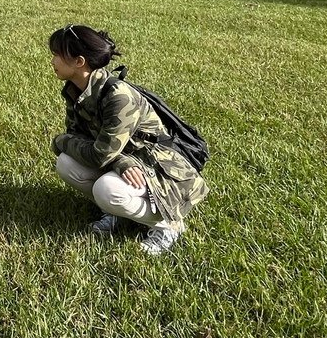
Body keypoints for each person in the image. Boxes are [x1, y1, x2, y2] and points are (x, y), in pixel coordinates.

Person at [49, 24, 208, 255]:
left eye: (56, 55)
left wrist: (59, 141)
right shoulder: (76, 90)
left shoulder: (118, 97)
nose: (52, 61)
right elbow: (78, 136)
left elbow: (98, 154)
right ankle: (117, 214)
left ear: (79, 62)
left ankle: (167, 224)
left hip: (161, 168)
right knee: (66, 163)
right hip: (129, 160)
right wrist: (120, 162)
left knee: (107, 189)